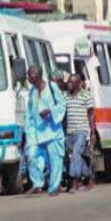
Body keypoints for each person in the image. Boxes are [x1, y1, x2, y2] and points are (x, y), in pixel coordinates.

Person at [24, 65, 66, 196]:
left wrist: (50, 111)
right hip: (36, 133)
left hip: (52, 132)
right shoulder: (31, 92)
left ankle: (54, 187)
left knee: (55, 161)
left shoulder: (52, 87)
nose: (29, 77)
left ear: (38, 75)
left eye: (31, 74)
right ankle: (37, 183)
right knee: (31, 155)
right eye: (28, 74)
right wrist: (28, 130)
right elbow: (30, 113)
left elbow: (62, 105)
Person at [64, 73, 96, 193]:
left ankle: (75, 182)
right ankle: (89, 177)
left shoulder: (86, 96)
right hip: (69, 132)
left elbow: (91, 115)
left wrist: (93, 133)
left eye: (72, 82)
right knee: (76, 156)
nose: (69, 84)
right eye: (68, 82)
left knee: (77, 153)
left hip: (82, 131)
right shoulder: (65, 96)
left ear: (78, 84)